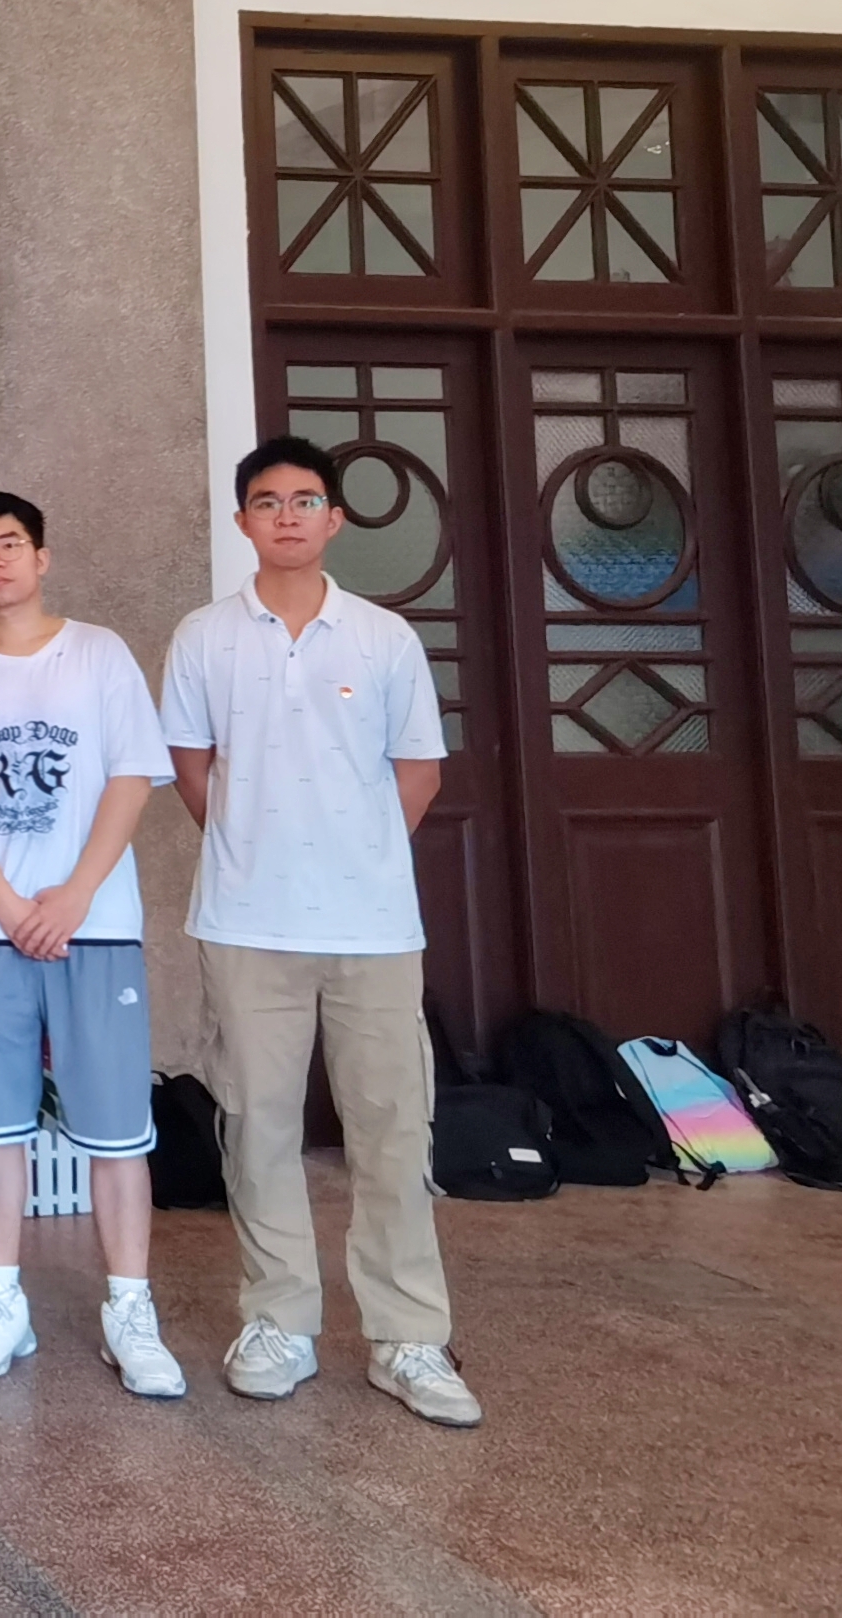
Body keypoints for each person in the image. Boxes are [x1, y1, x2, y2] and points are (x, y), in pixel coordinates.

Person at [161, 435, 478, 1431]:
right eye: (268, 501)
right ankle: (279, 1322)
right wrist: (260, 848)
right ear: (243, 521)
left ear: (336, 519)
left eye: (306, 500)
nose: (288, 515)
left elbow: (417, 771)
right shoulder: (204, 637)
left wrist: (355, 853)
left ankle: (408, 1336)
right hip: (247, 921)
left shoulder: (384, 638)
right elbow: (192, 768)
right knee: (257, 1127)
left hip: (372, 926)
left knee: (392, 1130)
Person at [0, 490, 184, 1396]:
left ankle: (130, 1309)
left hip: (94, 926)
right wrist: (7, 903)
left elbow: (131, 777)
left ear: (42, 556)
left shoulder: (99, 652)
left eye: (9, 544)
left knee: (117, 1131)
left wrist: (73, 896)